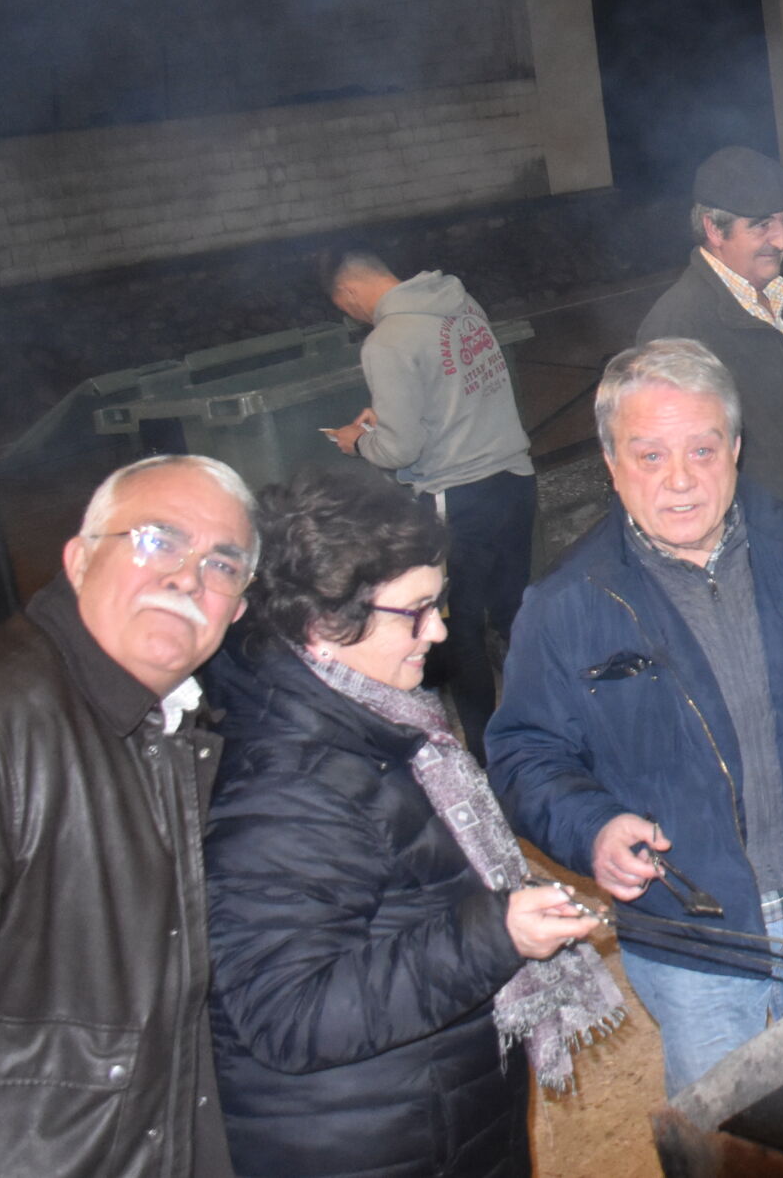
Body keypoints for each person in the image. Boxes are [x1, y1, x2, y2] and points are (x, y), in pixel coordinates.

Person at [490, 339, 783, 1094]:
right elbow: (525, 751)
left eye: (702, 449)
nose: (681, 480)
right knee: (726, 1129)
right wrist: (593, 826)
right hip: (695, 938)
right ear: (611, 462)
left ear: (735, 448)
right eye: (650, 456)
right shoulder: (568, 602)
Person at [202, 467, 619, 1178]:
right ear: (323, 622)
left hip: (429, 1116)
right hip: (363, 1145)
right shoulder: (284, 785)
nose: (440, 629)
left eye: (440, 602)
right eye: (416, 611)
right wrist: (495, 936)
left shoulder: (378, 725)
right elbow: (289, 1014)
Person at [0, 454, 255, 1177]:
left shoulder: (167, 730)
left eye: (221, 564)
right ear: (78, 559)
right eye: (158, 540)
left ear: (239, 608)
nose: (188, 578)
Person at [317, 250, 537, 757]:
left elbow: (400, 450)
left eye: (344, 306)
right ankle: (551, 725)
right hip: (514, 480)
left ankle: (485, 756)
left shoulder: (387, 341)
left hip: (458, 498)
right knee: (514, 614)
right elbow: (456, 390)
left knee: (458, 631)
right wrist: (388, 415)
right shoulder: (460, 304)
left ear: (347, 293)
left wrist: (359, 441)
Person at [636, 146, 783, 522]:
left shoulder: (774, 295)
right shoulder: (677, 329)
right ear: (713, 229)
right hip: (745, 529)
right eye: (761, 224)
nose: (782, 240)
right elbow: (667, 463)